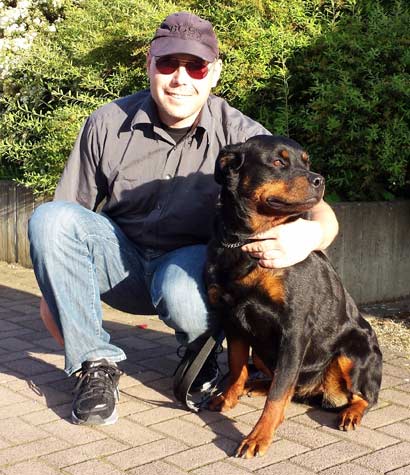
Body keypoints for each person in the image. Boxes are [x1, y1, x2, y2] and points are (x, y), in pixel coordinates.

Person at [28, 11, 339, 426]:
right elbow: (68, 217)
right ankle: (95, 365)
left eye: (195, 66)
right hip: (120, 263)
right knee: (48, 218)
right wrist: (58, 292)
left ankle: (201, 356)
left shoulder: (243, 137)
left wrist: (312, 234)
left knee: (183, 284)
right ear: (149, 65)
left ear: (214, 74)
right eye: (168, 63)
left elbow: (318, 208)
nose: (180, 78)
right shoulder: (106, 123)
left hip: (190, 271)